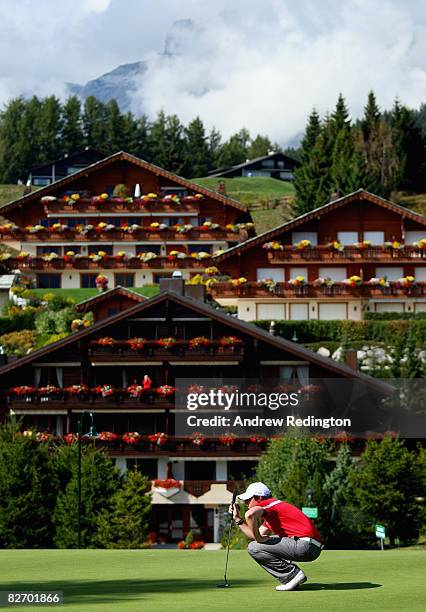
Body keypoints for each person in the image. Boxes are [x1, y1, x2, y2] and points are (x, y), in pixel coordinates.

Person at [229, 482, 323, 591]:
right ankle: (293, 576)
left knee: (253, 547)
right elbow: (255, 536)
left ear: (259, 498)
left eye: (248, 499)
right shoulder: (273, 511)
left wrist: (259, 538)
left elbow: (249, 515)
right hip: (312, 548)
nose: (246, 503)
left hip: (305, 545)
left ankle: (292, 575)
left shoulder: (268, 503)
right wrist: (237, 519)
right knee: (255, 545)